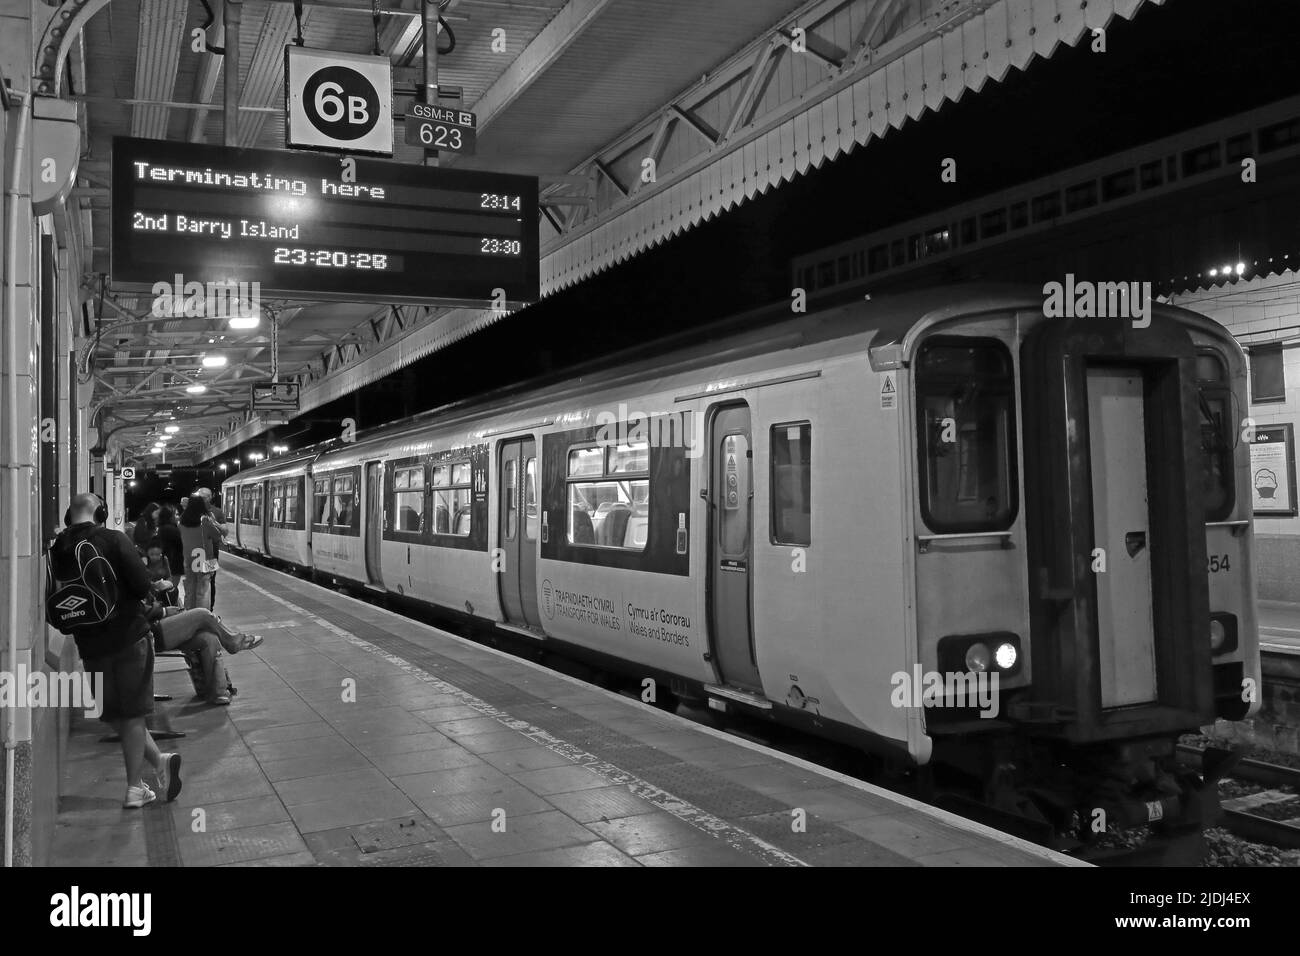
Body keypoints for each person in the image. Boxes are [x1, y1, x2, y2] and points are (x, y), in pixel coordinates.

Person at [49, 493, 182, 808]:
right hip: (128, 637)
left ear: (70, 516)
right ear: (101, 512)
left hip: (88, 644)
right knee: (133, 713)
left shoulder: (57, 549)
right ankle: (135, 788)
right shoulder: (113, 539)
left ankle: (160, 761)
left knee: (113, 713)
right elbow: (139, 585)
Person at [145, 603, 263, 706]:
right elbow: (135, 607)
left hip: (151, 624)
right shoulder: (130, 579)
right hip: (144, 631)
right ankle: (232, 641)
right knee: (202, 614)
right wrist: (163, 611)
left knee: (208, 638)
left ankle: (218, 691)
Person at [179, 496, 222, 611]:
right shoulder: (205, 521)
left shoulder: (182, 521)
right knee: (203, 591)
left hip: (188, 558)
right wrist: (213, 522)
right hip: (206, 559)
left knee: (190, 590)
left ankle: (189, 614)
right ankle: (202, 617)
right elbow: (217, 536)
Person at [194, 488, 227, 611]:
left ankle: (209, 609)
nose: (202, 499)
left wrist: (215, 524)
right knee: (196, 583)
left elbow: (224, 531)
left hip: (210, 553)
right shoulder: (191, 512)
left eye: (204, 497)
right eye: (200, 497)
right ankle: (197, 611)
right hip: (196, 554)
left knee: (209, 582)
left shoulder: (216, 512)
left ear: (210, 497)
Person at [155, 505, 184, 596]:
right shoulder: (171, 529)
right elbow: (181, 545)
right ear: (169, 516)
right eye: (175, 514)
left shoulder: (162, 528)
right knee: (172, 591)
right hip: (173, 564)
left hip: (168, 563)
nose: (178, 517)